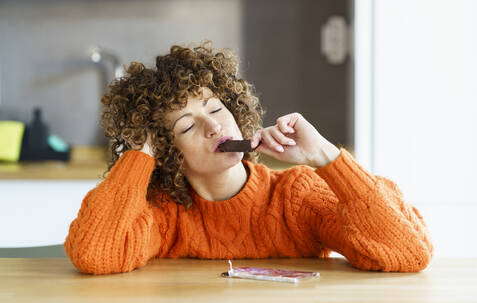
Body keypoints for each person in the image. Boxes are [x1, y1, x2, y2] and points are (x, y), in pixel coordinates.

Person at [64, 40, 434, 275]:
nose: (213, 127)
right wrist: (141, 153)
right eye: (187, 128)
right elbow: (96, 254)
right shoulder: (164, 212)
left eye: (216, 108)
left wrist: (325, 157)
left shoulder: (296, 195)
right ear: (166, 151)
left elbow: (407, 252)